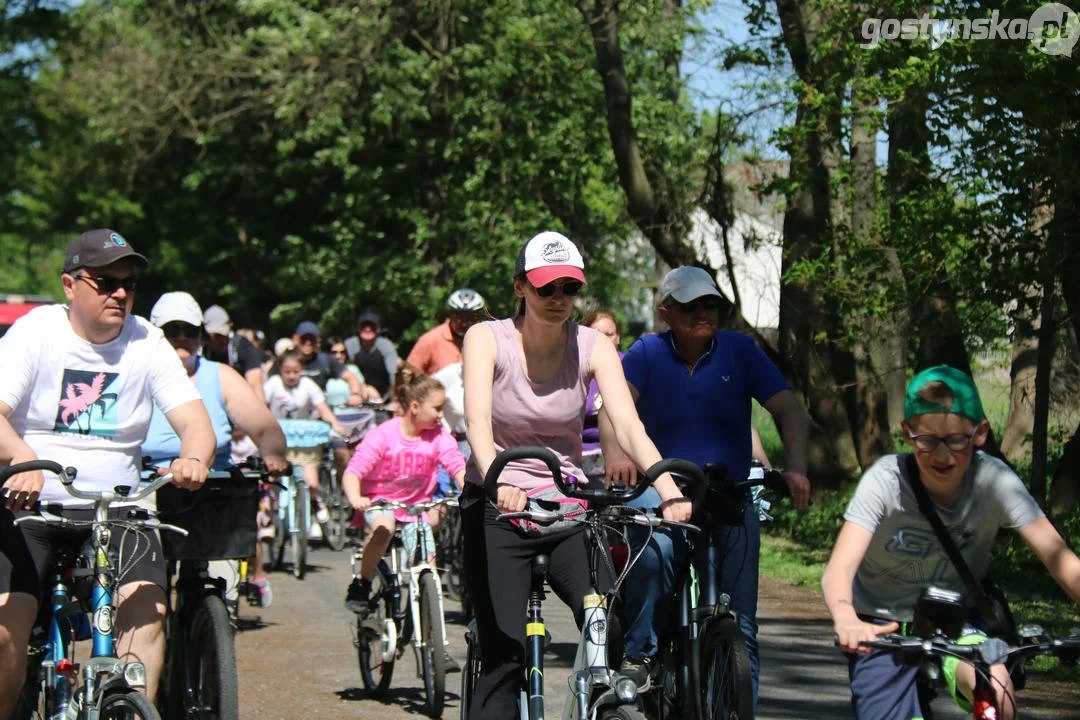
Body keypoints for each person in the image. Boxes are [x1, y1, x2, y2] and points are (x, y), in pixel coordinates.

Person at [460, 230, 692, 718]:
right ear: (520, 287)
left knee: (607, 626)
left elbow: (629, 424)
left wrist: (668, 491)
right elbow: (478, 421)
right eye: (546, 288)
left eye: (569, 288)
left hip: (565, 504)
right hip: (497, 505)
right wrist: (497, 479)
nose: (558, 299)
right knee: (505, 656)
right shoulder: (487, 338)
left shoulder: (592, 345)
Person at [0, 229, 215, 713]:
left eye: (129, 283)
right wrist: (20, 457)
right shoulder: (36, 331)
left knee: (148, 613)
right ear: (69, 285)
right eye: (105, 281)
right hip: (35, 505)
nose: (120, 292)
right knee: (5, 628)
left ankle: (126, 706)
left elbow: (194, 422)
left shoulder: (147, 340)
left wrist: (194, 458)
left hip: (118, 510)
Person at [822, 366, 1080, 720]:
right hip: (881, 629)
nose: (943, 456)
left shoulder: (995, 481)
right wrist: (845, 616)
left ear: (980, 433)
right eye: (927, 441)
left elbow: (1060, 559)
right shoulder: (885, 480)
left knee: (996, 688)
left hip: (959, 619)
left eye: (956, 440)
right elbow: (839, 568)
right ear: (908, 434)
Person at [603, 265, 811, 703]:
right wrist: (617, 456)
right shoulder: (646, 352)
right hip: (663, 488)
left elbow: (789, 411)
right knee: (655, 554)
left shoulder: (740, 350)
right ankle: (640, 654)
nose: (703, 312)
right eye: (690, 306)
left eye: (710, 304)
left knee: (742, 625)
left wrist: (796, 469)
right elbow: (612, 410)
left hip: (727, 491)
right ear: (666, 313)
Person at [142, 291, 288, 607]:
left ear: (202, 336)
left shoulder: (220, 376)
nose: (181, 337)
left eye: (190, 330)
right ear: (157, 334)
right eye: (172, 330)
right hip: (148, 487)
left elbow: (266, 429)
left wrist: (273, 454)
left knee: (224, 590)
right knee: (146, 594)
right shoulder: (137, 374)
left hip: (210, 491)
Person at [342, 363, 465, 609]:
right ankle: (362, 582)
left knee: (427, 559)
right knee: (383, 528)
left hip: (416, 506)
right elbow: (354, 471)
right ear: (415, 407)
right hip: (381, 501)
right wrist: (356, 497)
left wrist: (465, 484)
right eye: (438, 409)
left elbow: (454, 461)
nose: (442, 415)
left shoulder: (438, 433)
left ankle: (431, 637)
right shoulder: (385, 434)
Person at [264, 349, 347, 525]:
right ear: (281, 370)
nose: (292, 376)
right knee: (271, 477)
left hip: (303, 439)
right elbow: (262, 406)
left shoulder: (308, 385)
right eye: (287, 371)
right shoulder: (273, 384)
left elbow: (323, 408)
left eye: (296, 371)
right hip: (278, 437)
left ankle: (315, 501)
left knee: (312, 482)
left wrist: (336, 424)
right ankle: (269, 508)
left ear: (301, 369)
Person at [580, 311, 623, 480]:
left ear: (618, 338)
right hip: (580, 458)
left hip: (623, 458)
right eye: (596, 335)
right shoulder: (575, 370)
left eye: (609, 334)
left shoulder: (631, 367)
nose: (603, 340)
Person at [406, 289, 487, 376]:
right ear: (451, 314)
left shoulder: (485, 342)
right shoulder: (431, 340)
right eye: (459, 317)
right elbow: (408, 375)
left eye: (469, 317)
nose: (464, 323)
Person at [202, 304, 267, 399]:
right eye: (214, 336)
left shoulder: (244, 347)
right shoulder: (202, 351)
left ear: (230, 328)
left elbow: (256, 388)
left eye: (221, 335)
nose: (218, 340)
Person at [345, 312, 400, 398]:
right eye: (364, 326)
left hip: (383, 396)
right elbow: (344, 371)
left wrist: (394, 399)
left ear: (378, 329)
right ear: (358, 328)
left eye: (372, 326)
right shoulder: (350, 345)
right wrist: (364, 389)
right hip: (356, 393)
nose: (368, 329)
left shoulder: (386, 345)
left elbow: (393, 374)